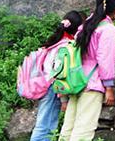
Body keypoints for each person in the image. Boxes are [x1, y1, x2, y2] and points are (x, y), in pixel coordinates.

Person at [58, 0, 115, 141]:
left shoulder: (85, 25)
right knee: (83, 132)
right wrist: (109, 87)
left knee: (67, 129)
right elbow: (105, 60)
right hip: (92, 84)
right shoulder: (107, 29)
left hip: (76, 80)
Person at [30, 11, 83, 141]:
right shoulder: (66, 46)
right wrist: (63, 99)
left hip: (46, 85)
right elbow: (60, 73)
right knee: (45, 126)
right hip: (53, 88)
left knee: (46, 123)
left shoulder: (55, 42)